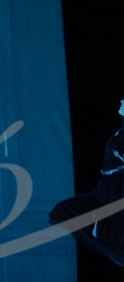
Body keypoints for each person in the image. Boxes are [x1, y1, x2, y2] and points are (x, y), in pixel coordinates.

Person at [49, 99, 124, 268]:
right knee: (62, 211)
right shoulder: (119, 135)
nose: (121, 101)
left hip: (112, 198)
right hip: (101, 194)